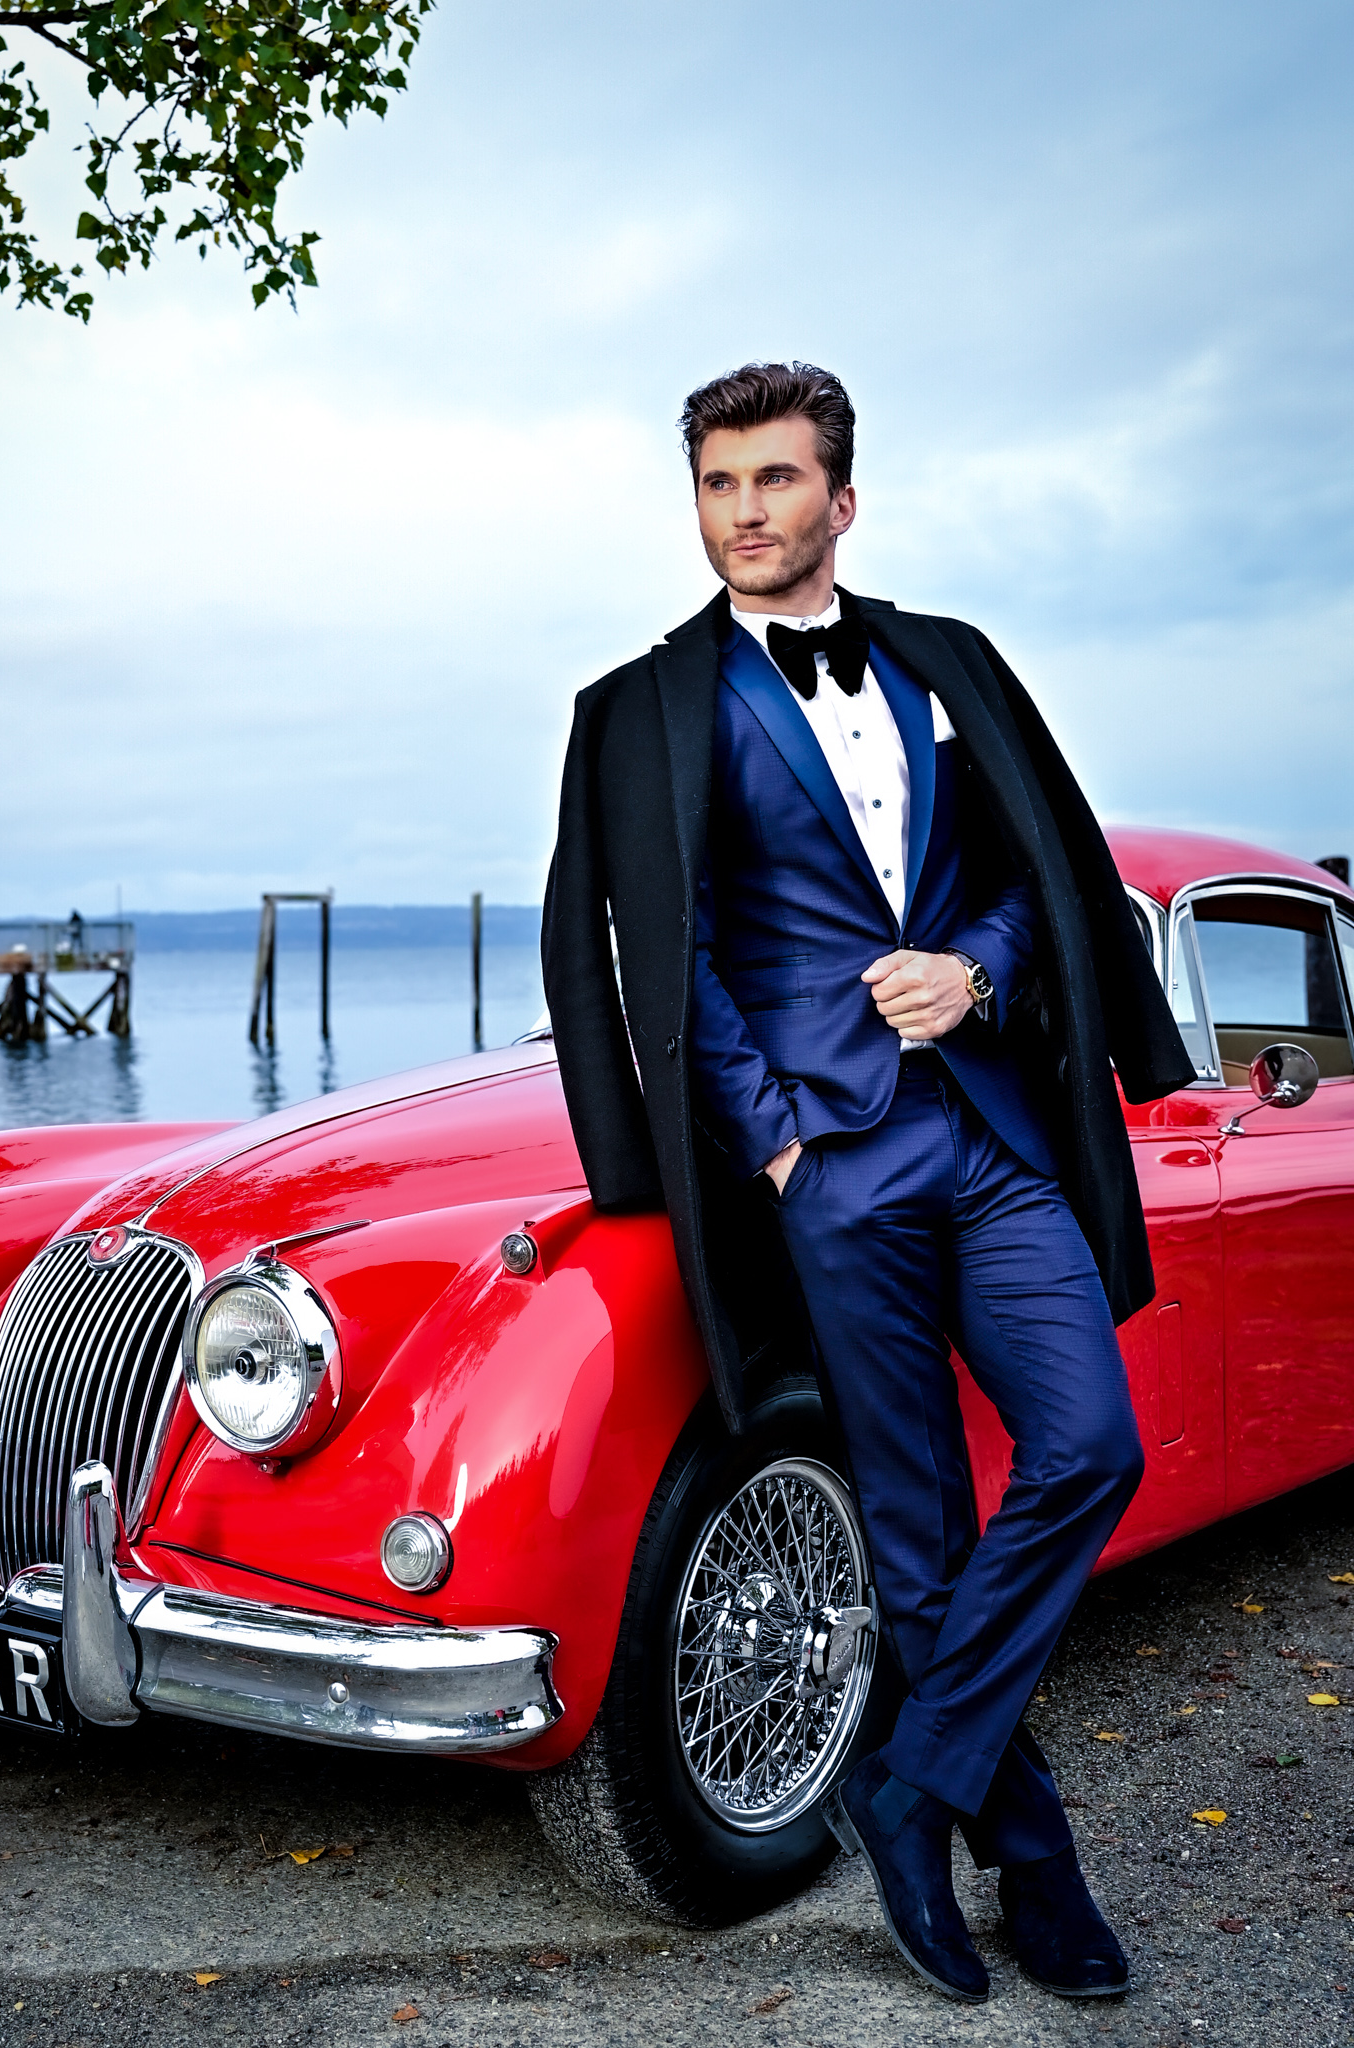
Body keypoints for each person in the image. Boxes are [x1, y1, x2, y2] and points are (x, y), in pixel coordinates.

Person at [541, 362, 1193, 2004]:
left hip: (987, 1129)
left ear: (844, 496)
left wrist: (974, 973)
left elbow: (1038, 872)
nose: (744, 513)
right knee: (917, 1530)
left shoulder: (952, 665)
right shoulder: (639, 707)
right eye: (717, 484)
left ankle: (907, 1796)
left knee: (1089, 1448)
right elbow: (650, 955)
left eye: (776, 480)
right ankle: (1037, 1872)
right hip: (825, 1162)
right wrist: (774, 1136)